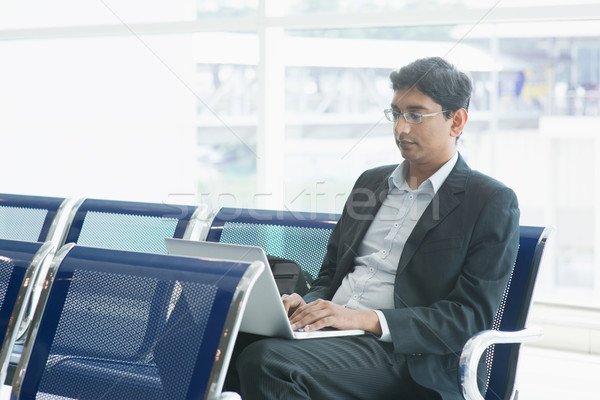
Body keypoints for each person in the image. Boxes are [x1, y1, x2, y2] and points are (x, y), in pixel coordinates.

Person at [228, 56, 520, 400]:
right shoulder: (371, 183)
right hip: (331, 336)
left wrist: (365, 319)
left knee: (270, 363)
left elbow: (468, 317)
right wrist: (306, 304)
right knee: (203, 338)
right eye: (395, 113)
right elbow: (331, 275)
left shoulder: (489, 201)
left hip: (406, 356)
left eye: (415, 114)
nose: (400, 128)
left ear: (456, 121)